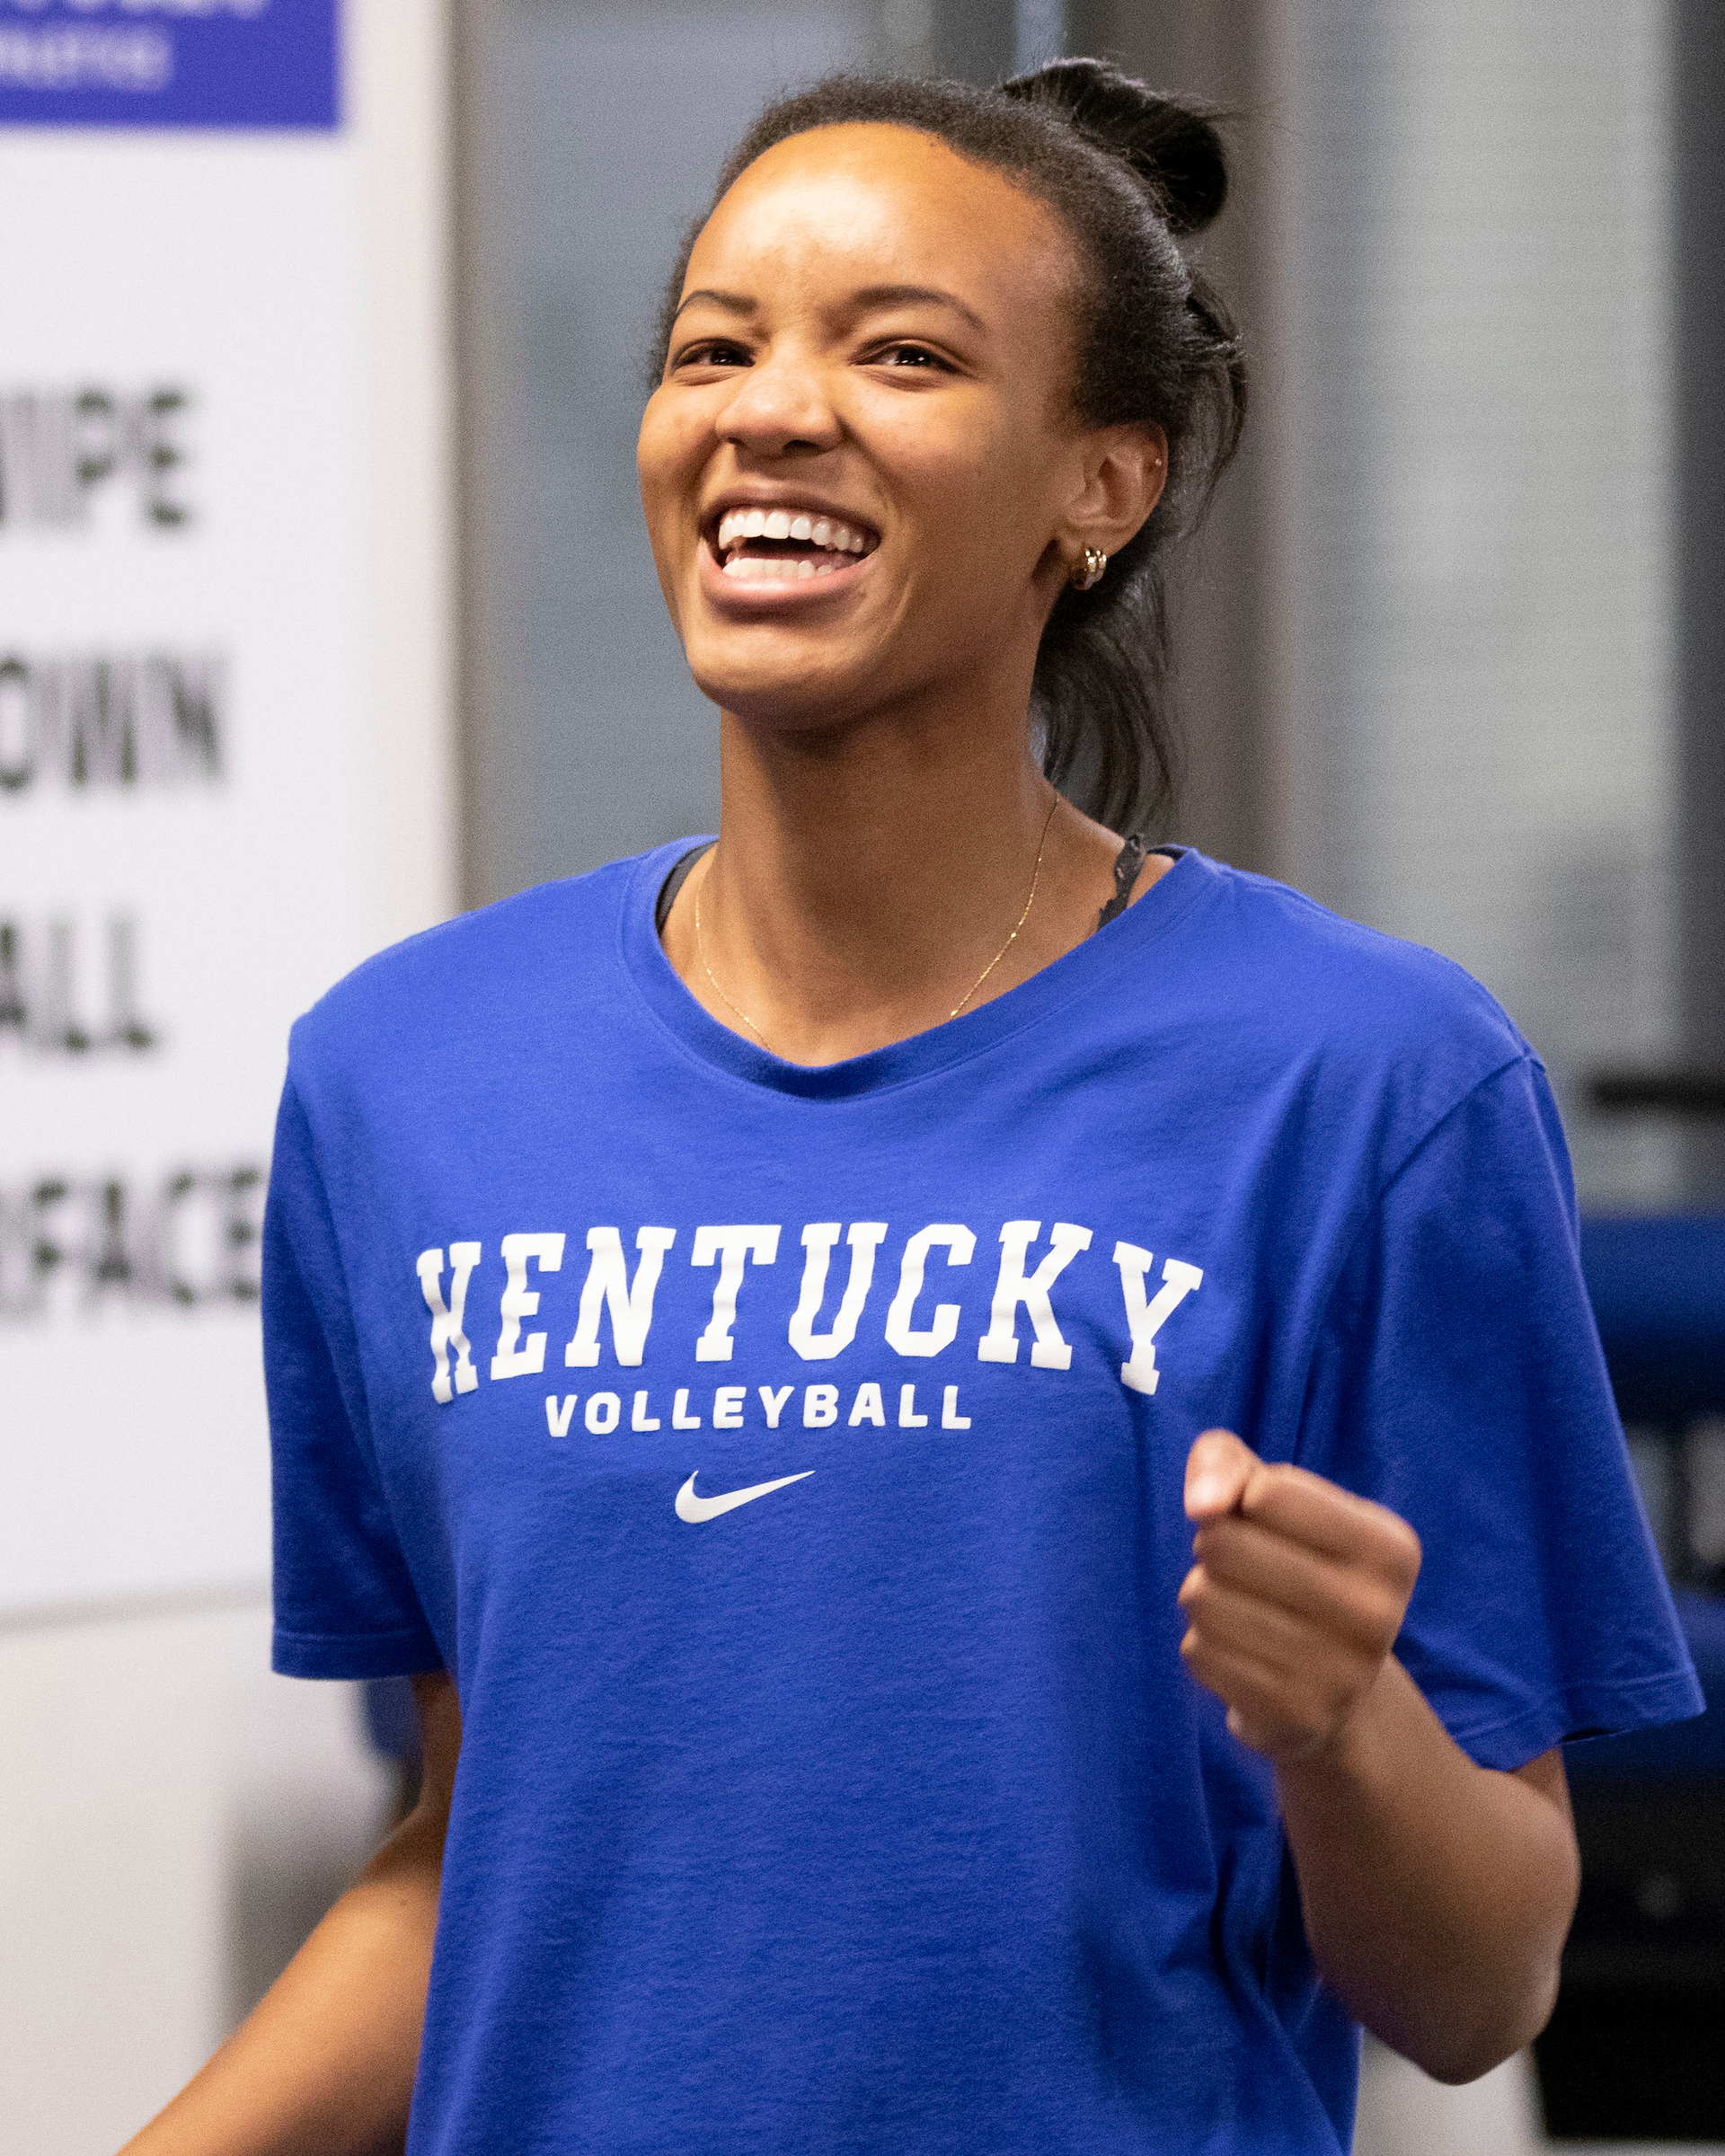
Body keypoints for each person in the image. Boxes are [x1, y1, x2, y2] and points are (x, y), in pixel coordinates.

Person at [124, 61, 1699, 2156]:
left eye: (902, 355)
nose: (771, 409)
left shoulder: (1370, 1086)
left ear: (1100, 489)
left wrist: (1342, 1727)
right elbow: (479, 1853)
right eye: (714, 347)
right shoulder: (406, 1079)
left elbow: (1482, 1982)